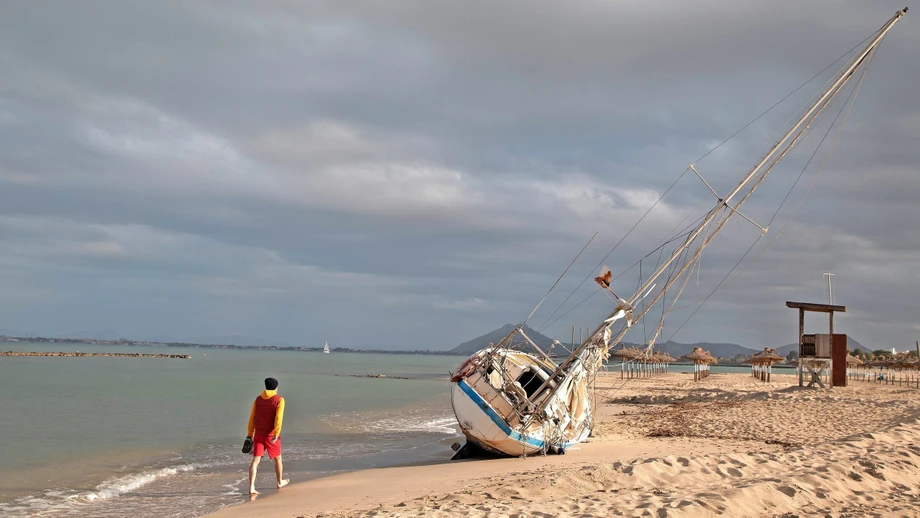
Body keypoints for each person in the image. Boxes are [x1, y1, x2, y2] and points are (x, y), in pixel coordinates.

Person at [246, 377, 289, 494]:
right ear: (276, 388)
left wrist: (249, 434)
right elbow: (278, 418)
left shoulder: (258, 399)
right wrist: (276, 433)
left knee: (255, 461)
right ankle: (279, 481)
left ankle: (251, 488)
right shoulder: (279, 400)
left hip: (258, 434)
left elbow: (252, 417)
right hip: (271, 435)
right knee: (278, 459)